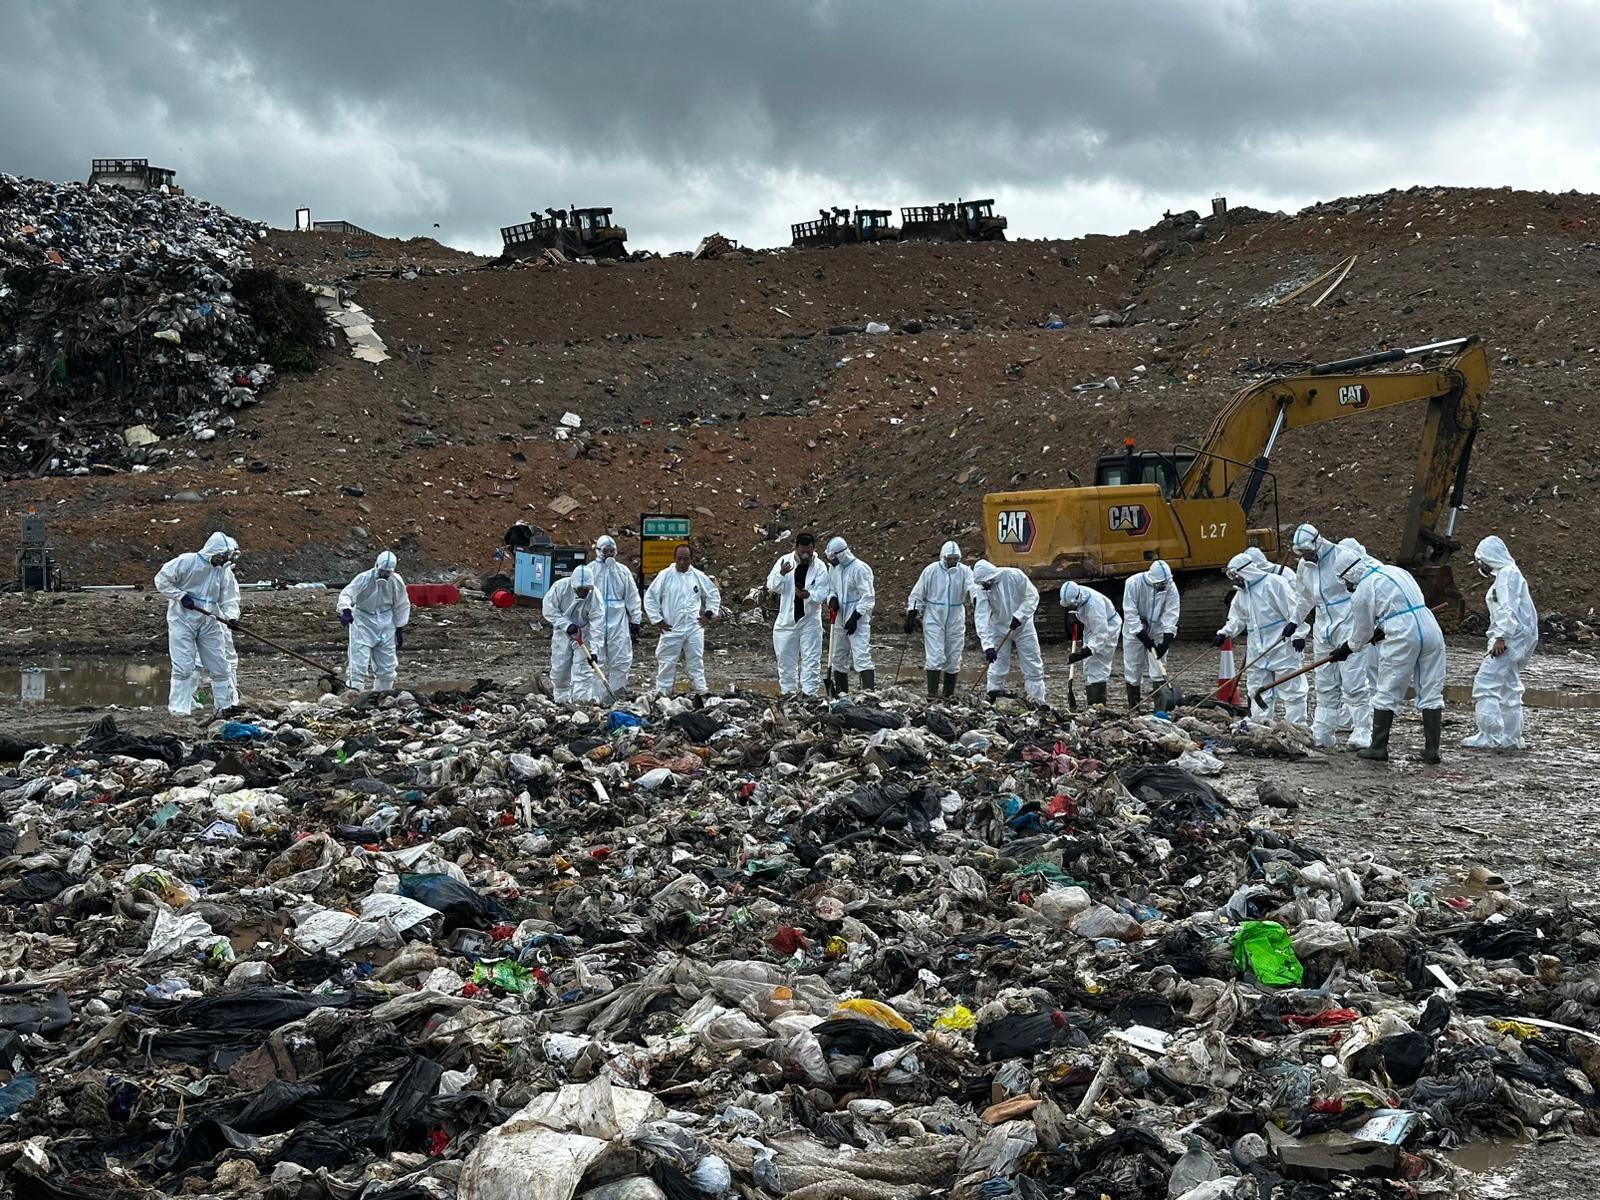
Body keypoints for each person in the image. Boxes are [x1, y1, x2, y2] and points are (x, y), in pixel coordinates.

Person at [1328, 546, 1446, 764]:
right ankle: (1432, 751)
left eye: (1345, 581)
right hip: (1429, 626)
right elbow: (1404, 602)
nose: (1347, 586)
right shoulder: (1395, 571)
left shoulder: (1363, 590)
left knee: (1387, 689)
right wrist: (1383, 626)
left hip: (1402, 634)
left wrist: (1347, 649)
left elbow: (1362, 632)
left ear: (1348, 574)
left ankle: (1378, 747)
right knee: (1431, 688)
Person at [1290, 525, 1372, 750]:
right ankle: (1323, 731)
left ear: (1317, 543)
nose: (1305, 556)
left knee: (1353, 680)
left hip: (1348, 621)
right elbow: (1304, 597)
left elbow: (1367, 577)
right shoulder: (1304, 565)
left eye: (1307, 551)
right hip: (1323, 626)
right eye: (1301, 553)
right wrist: (1294, 621)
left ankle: (1363, 729)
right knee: (1325, 681)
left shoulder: (1342, 556)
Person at [1463, 535, 1538, 751]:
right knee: (1509, 687)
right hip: (1515, 638)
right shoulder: (1510, 574)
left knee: (1485, 683)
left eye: (1481, 560)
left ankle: (1490, 735)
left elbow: (1507, 608)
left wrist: (1501, 637)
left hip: (1508, 639)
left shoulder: (1507, 575)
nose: (1481, 565)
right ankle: (1511, 737)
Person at [154, 531, 241, 717]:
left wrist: (232, 617)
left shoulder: (223, 572)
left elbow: (229, 598)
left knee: (220, 665)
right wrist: (180, 596)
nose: (222, 561)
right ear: (212, 551)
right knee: (184, 665)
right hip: (182, 619)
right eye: (221, 556)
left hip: (210, 620)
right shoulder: (187, 562)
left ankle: (225, 707)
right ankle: (179, 709)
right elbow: (161, 579)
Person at [1216, 551, 1307, 726]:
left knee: (1292, 689)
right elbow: (1237, 618)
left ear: (1246, 571)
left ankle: (1296, 726)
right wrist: (1225, 633)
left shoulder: (1274, 583)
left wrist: (1299, 633)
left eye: (1236, 575)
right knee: (1257, 688)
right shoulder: (1242, 594)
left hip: (1281, 646)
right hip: (1257, 649)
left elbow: (1293, 610)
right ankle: (1260, 723)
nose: (1235, 580)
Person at [644, 544, 722, 695]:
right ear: (675, 558)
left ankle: (700, 690)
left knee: (696, 660)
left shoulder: (698, 576)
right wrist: (658, 620)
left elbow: (713, 593)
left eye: (686, 559)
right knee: (667, 661)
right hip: (671, 627)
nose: (682, 562)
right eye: (679, 559)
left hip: (694, 627)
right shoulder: (665, 575)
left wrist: (708, 614)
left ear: (691, 559)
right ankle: (664, 691)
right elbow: (650, 597)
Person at [971, 559, 1046, 703]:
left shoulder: (1014, 575)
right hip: (999, 628)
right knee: (997, 666)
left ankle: (1036, 701)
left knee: (1032, 664)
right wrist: (988, 646)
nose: (985, 587)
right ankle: (993, 698)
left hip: (1023, 627)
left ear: (991, 576)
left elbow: (1032, 596)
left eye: (986, 583)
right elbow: (981, 617)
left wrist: (1020, 616)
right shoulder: (983, 588)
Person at [906, 540, 972, 699]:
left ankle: (948, 694)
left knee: (954, 655)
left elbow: (973, 586)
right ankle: (932, 694)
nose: (952, 562)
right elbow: (918, 593)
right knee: (935, 654)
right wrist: (912, 614)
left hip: (956, 616)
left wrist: (977, 597)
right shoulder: (931, 570)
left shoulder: (965, 572)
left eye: (955, 559)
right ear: (943, 557)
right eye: (949, 559)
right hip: (934, 615)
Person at [337, 551, 411, 692]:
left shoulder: (396, 581)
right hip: (363, 622)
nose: (383, 575)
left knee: (387, 666)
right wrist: (345, 610)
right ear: (376, 566)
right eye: (381, 571)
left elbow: (401, 604)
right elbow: (347, 594)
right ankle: (355, 694)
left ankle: (382, 694)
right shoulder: (364, 578)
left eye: (387, 573)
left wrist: (400, 627)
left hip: (386, 624)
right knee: (358, 664)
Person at [767, 533, 829, 698]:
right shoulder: (785, 561)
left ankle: (809, 695)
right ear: (796, 548)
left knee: (811, 659)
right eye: (803, 551)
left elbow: (823, 592)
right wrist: (781, 574)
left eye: (809, 551)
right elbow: (772, 586)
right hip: (787, 620)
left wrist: (809, 595)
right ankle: (789, 694)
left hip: (810, 620)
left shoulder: (819, 567)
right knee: (785, 659)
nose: (806, 555)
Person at [542, 563, 607, 702]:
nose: (583, 592)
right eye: (580, 589)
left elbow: (597, 625)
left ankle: (581, 703)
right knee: (560, 669)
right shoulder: (560, 587)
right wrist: (566, 625)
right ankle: (561, 701)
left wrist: (594, 650)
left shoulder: (595, 597)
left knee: (583, 671)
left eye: (586, 590)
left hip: (584, 634)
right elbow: (548, 610)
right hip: (563, 633)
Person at [1121, 560, 1180, 708]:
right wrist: (1143, 637)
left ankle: (1161, 707)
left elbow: (1171, 611)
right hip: (1134, 631)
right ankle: (1134, 705)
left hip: (1158, 629)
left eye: (1165, 584)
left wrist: (1167, 638)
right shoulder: (1133, 583)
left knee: (1159, 667)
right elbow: (1130, 612)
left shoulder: (1170, 586)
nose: (1163, 587)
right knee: (1133, 667)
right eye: (1160, 584)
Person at [591, 535, 642, 696]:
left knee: (621, 658)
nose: (609, 554)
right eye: (606, 551)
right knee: (595, 660)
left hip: (618, 621)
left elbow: (632, 596)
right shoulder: (590, 571)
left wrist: (636, 619)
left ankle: (616, 693)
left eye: (611, 551)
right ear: (598, 551)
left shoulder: (622, 571)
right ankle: (597, 696)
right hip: (596, 621)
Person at [824, 536, 875, 694]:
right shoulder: (834, 569)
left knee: (861, 655)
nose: (831, 562)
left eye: (833, 558)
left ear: (841, 554)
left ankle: (868, 693)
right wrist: (832, 599)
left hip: (857, 620)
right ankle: (842, 693)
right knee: (838, 657)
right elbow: (832, 588)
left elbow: (868, 597)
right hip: (839, 618)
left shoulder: (860, 568)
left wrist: (855, 617)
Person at [1059, 580, 1121, 707]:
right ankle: (1092, 704)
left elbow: (1101, 635)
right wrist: (1074, 617)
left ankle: (1098, 705)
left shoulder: (1094, 606)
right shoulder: (1075, 592)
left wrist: (1084, 652)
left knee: (1098, 665)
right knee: (1088, 667)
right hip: (1091, 627)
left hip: (1108, 627)